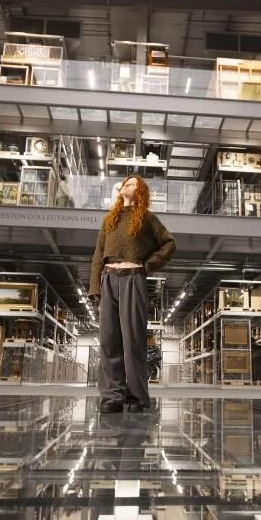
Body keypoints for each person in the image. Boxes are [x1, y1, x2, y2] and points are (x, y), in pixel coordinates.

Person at [89, 175, 176, 414]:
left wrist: (148, 265)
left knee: (133, 340)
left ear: (141, 193)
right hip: (109, 279)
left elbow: (169, 244)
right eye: (126, 183)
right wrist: (94, 286)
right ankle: (112, 396)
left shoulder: (147, 219)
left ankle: (137, 397)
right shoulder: (109, 220)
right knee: (109, 340)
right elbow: (98, 255)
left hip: (133, 279)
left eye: (133, 184)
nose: (127, 185)